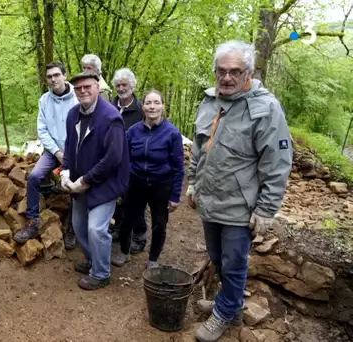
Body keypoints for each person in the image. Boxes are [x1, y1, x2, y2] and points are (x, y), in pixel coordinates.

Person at [187, 40, 292, 342]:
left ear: (248, 72)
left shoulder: (265, 108)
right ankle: (228, 305)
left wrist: (266, 209)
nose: (227, 78)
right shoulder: (209, 103)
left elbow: (277, 162)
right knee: (217, 258)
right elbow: (199, 149)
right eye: (221, 71)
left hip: (239, 207)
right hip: (210, 201)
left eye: (235, 71)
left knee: (233, 264)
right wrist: (193, 182)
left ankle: (225, 312)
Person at [61, 71, 129, 290]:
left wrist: (85, 181)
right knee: (78, 225)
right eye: (78, 88)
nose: (83, 91)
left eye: (87, 86)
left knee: (96, 229)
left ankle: (101, 273)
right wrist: (65, 171)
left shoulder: (111, 118)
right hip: (80, 181)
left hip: (105, 183)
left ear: (97, 87)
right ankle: (93, 259)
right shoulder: (73, 115)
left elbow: (113, 159)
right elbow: (70, 147)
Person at [111, 89, 184, 268]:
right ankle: (124, 252)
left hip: (161, 185)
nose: (152, 107)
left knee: (159, 224)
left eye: (156, 103)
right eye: (148, 103)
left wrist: (175, 196)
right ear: (142, 107)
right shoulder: (133, 131)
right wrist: (122, 184)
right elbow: (124, 160)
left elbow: (178, 167)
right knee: (127, 220)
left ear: (163, 106)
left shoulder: (172, 133)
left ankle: (153, 260)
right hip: (135, 183)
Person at [13, 62, 79, 245]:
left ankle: (72, 227)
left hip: (76, 151)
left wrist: (70, 153)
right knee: (34, 176)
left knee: (75, 184)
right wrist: (57, 152)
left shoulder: (78, 98)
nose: (53, 79)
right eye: (49, 76)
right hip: (53, 151)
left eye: (56, 75)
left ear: (65, 75)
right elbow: (42, 130)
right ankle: (33, 221)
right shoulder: (44, 100)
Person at [109, 68, 146, 250]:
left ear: (132, 85)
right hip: (112, 161)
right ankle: (119, 227)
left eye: (125, 84)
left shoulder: (141, 110)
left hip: (134, 162)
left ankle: (139, 236)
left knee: (135, 200)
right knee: (116, 197)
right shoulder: (109, 107)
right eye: (118, 85)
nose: (121, 88)